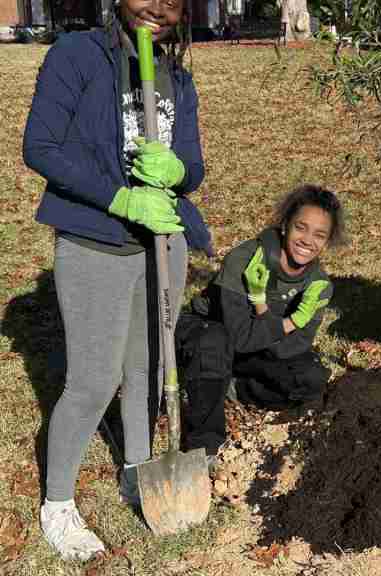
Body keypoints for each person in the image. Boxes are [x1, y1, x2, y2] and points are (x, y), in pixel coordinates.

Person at [23, 0, 209, 561]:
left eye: (172, 0)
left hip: (164, 242)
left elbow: (193, 163)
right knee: (94, 380)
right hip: (95, 243)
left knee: (147, 366)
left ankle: (137, 467)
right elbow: (41, 147)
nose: (158, 7)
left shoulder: (178, 78)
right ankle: (57, 503)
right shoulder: (77, 56)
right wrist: (121, 197)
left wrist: (177, 171)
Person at [177, 184, 345, 461]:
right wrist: (287, 320)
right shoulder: (245, 259)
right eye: (301, 227)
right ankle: (203, 449)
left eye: (319, 235)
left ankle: (234, 387)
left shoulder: (318, 286)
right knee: (214, 342)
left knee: (310, 379)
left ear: (326, 242)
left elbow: (294, 347)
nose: (307, 240)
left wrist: (266, 311)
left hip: (257, 347)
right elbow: (238, 336)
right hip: (208, 330)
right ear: (285, 225)